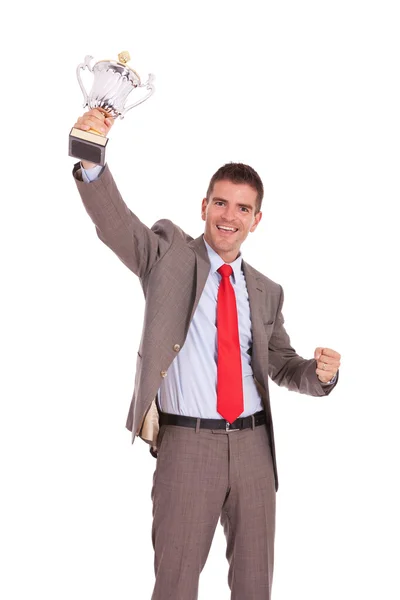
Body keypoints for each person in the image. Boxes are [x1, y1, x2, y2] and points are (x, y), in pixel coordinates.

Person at [72, 108, 341, 600]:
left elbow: (281, 365)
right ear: (203, 206)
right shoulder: (169, 256)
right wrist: (91, 154)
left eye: (242, 208)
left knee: (254, 587)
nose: (229, 216)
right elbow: (117, 225)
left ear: (256, 219)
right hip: (187, 446)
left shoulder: (265, 290)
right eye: (221, 203)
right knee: (175, 585)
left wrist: (321, 376)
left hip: (256, 448)